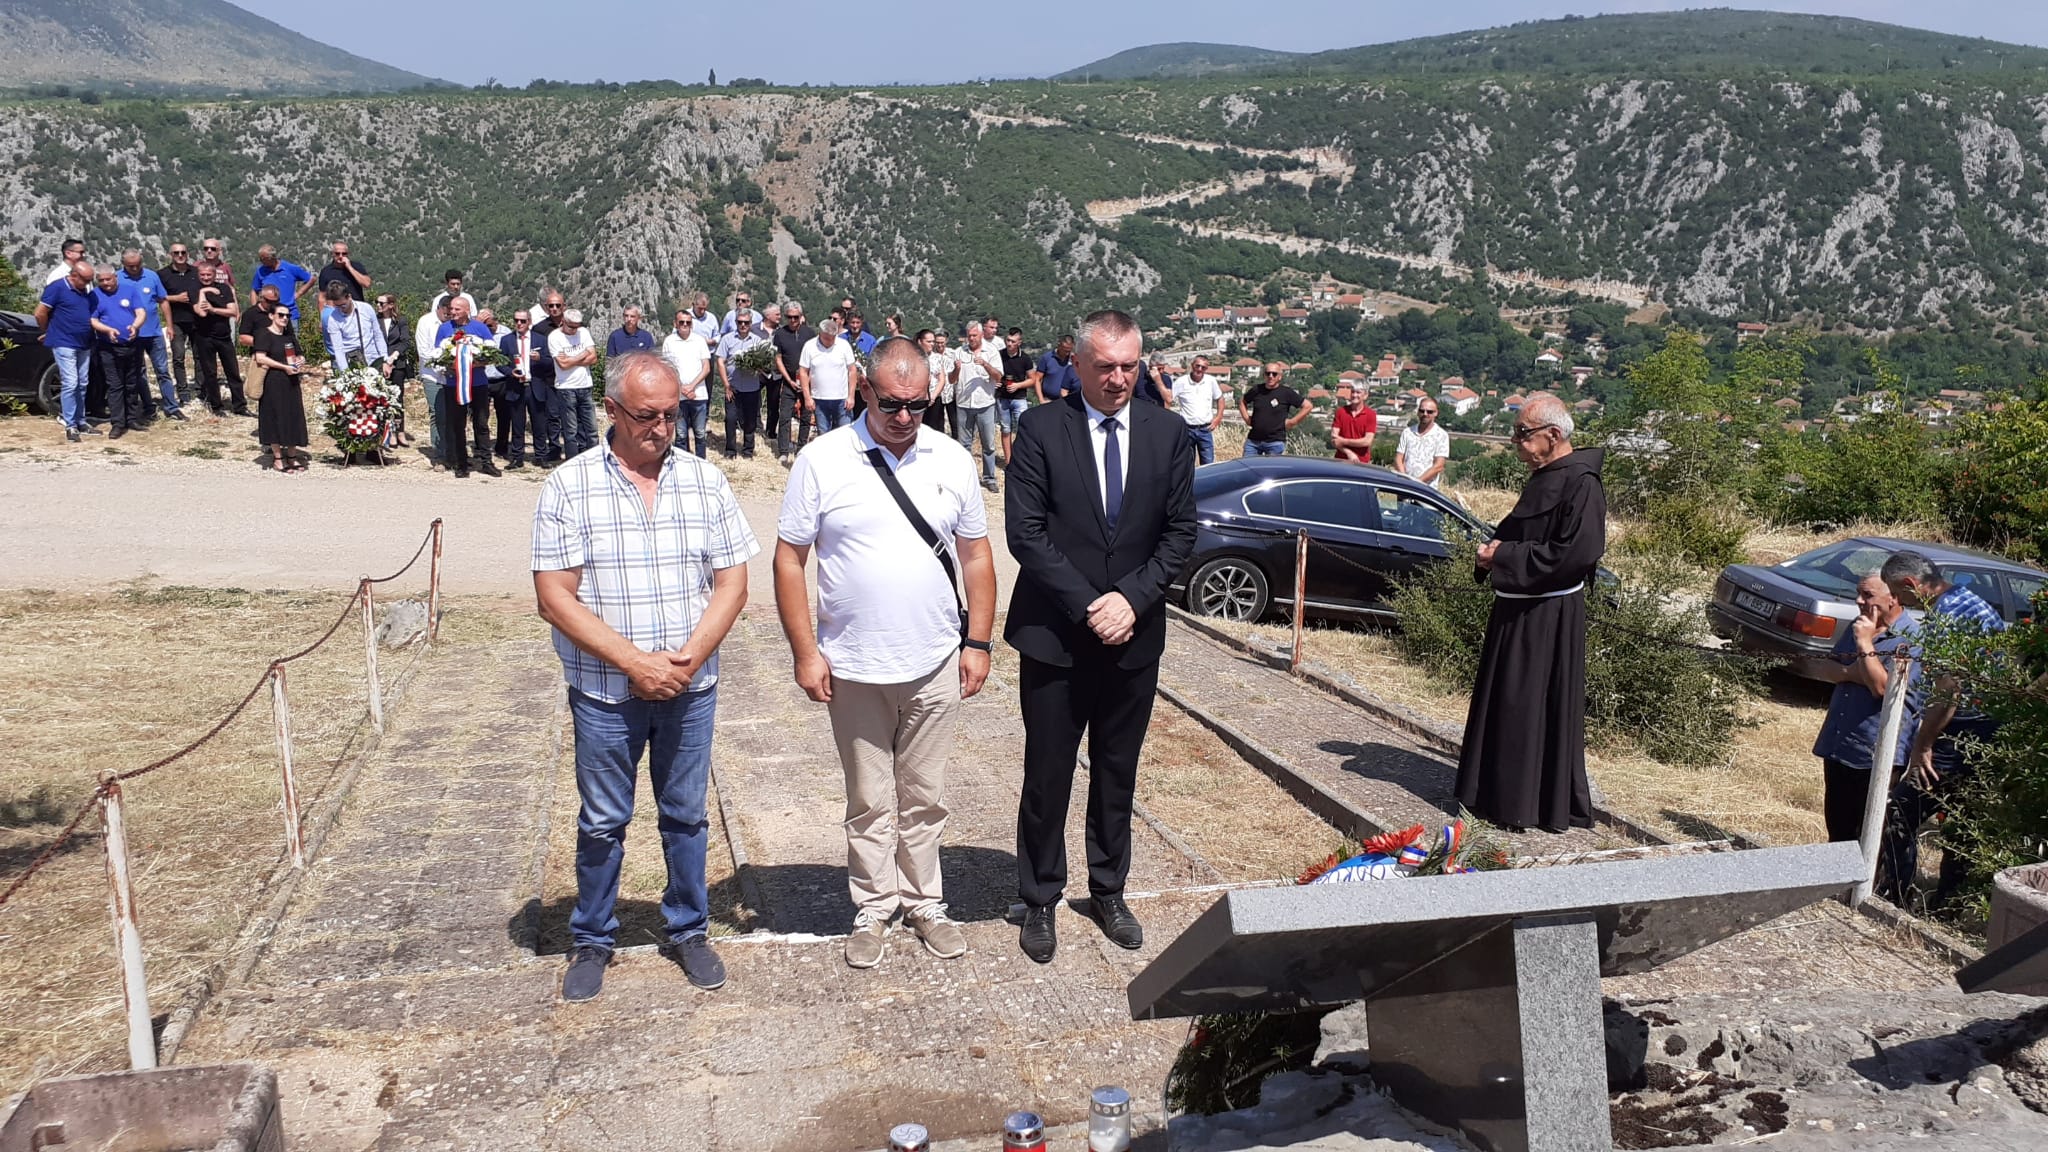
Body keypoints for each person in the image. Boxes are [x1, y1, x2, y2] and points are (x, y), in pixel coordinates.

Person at [531, 351, 760, 1001]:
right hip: (606, 693)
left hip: (689, 688)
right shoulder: (569, 487)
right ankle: (592, 938)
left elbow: (733, 583)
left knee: (686, 815)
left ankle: (689, 929)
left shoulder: (705, 482)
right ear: (611, 410)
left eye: (670, 414)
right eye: (646, 415)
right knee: (604, 819)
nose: (661, 427)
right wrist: (635, 663)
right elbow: (555, 597)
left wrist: (683, 663)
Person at [774, 337, 996, 969]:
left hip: (935, 661)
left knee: (925, 797)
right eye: (892, 403)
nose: (904, 416)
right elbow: (789, 560)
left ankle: (926, 902)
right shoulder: (822, 460)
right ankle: (874, 907)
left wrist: (978, 643)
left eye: (918, 404)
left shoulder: (951, 459)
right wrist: (805, 652)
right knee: (869, 799)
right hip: (852, 666)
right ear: (864, 390)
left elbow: (977, 555)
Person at [1005, 310, 1198, 963]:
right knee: (1047, 772)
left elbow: (1180, 533)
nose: (1118, 379)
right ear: (1079, 365)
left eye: (1129, 366)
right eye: (1105, 367)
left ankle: (1109, 889)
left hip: (1134, 639)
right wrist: (1092, 604)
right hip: (1056, 637)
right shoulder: (1040, 429)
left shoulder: (1168, 433)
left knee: (1118, 771)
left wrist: (1132, 600)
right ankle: (1039, 896)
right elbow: (1026, 533)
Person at [1455, 394, 1605, 833]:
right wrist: (1491, 552)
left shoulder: (1582, 483)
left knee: (1528, 705)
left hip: (1548, 614)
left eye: (1522, 433)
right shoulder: (1544, 476)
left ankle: (1524, 803)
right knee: (1506, 701)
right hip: (1517, 607)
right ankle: (1494, 794)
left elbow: (1575, 554)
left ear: (1553, 435)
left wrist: (1502, 556)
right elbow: (1521, 531)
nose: (1515, 441)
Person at [1881, 551, 2006, 907]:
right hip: (1985, 731)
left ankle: (1895, 897)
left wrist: (1923, 746)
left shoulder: (1948, 616)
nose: (1898, 601)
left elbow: (1949, 691)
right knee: (1962, 821)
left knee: (1899, 812)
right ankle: (1948, 904)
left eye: (1898, 593)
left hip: (1959, 733)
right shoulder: (1969, 601)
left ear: (1910, 584)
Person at [1809, 572, 1922, 844]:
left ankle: (1864, 875)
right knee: (1839, 832)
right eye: (1858, 594)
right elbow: (1826, 668)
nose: (1859, 601)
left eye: (1868, 595)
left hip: (1875, 754)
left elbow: (1883, 689)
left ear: (1893, 597)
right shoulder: (1859, 625)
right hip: (1840, 743)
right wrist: (1854, 673)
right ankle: (1838, 873)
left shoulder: (1910, 639)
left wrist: (1864, 644)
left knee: (1869, 837)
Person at [435, 298, 501, 478]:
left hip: (478, 383)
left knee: (481, 424)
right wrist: (452, 364)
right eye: (451, 309)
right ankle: (461, 463)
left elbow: (492, 354)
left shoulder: (480, 328)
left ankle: (486, 462)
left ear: (467, 310)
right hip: (454, 384)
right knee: (458, 425)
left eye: (457, 309)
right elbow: (438, 355)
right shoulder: (444, 329)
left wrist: (474, 363)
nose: (453, 312)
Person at [36, 259, 98, 442]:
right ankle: (70, 423)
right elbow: (40, 312)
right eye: (85, 280)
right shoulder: (57, 288)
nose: (88, 283)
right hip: (64, 342)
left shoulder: (85, 290)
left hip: (84, 343)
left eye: (90, 280)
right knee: (71, 382)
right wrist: (47, 331)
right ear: (74, 275)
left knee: (82, 382)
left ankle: (81, 420)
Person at [117, 250, 182, 422]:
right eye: (131, 266)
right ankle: (148, 407)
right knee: (139, 373)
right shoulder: (117, 278)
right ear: (123, 264)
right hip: (132, 335)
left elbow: (163, 300)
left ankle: (172, 407)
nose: (135, 268)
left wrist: (169, 325)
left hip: (153, 333)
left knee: (162, 370)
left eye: (138, 265)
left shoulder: (152, 276)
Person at [90, 265, 150, 438]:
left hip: (132, 344)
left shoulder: (129, 290)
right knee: (115, 385)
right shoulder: (94, 295)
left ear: (115, 277)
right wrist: (107, 330)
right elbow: (93, 320)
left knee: (132, 383)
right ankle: (117, 423)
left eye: (108, 279)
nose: (105, 283)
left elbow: (141, 312)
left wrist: (135, 326)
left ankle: (132, 418)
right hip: (108, 347)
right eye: (101, 280)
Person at [250, 300, 310, 473]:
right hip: (273, 380)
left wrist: (300, 360)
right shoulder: (264, 334)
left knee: (293, 416)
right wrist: (283, 366)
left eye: (287, 316)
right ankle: (277, 458)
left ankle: (292, 456)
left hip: (291, 381)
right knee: (274, 417)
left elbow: (300, 354)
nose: (285, 318)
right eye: (281, 315)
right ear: (271, 316)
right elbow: (260, 357)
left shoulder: (289, 336)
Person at [191, 263, 247, 418]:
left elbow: (233, 311)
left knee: (233, 371)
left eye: (209, 275)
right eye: (202, 275)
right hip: (204, 337)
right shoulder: (194, 289)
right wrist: (204, 291)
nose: (205, 278)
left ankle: (240, 405)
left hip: (223, 336)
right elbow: (201, 313)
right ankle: (216, 406)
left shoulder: (224, 288)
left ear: (214, 275)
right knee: (210, 373)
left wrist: (214, 309)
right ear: (198, 275)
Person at [951, 324, 1001, 492]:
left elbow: (998, 376)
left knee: (988, 444)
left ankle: (989, 478)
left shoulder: (991, 351)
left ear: (981, 335)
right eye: (969, 335)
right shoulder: (959, 352)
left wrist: (985, 364)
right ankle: (966, 479)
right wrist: (956, 369)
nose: (971, 339)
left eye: (974, 335)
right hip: (964, 404)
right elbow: (951, 380)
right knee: (964, 445)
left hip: (985, 403)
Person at [716, 311, 770, 458]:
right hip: (732, 387)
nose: (743, 325)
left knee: (750, 420)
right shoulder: (727, 339)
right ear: (736, 323)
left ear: (750, 324)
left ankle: (748, 450)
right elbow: (720, 361)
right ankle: (730, 450)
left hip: (751, 388)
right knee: (730, 419)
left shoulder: (757, 341)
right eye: (740, 322)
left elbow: (764, 364)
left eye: (746, 322)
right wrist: (726, 385)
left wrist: (756, 365)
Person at [549, 308, 602, 459]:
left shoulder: (583, 332)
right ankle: (572, 460)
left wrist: (570, 359)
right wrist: (583, 354)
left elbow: (593, 358)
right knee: (570, 431)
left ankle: (594, 460)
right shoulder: (554, 337)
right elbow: (562, 365)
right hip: (566, 388)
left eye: (577, 326)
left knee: (592, 429)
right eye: (571, 327)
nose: (574, 330)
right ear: (563, 322)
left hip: (585, 385)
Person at [661, 309, 714, 458]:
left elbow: (706, 368)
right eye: (681, 322)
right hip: (678, 396)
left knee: (700, 434)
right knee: (681, 435)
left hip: (699, 395)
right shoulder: (669, 341)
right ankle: (682, 463)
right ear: (675, 323)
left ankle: (701, 463)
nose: (685, 325)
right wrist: (681, 387)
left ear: (692, 324)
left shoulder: (699, 341)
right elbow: (666, 368)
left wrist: (691, 386)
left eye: (688, 322)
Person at [800, 318, 862, 438]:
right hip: (819, 399)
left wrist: (851, 396)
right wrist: (807, 397)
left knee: (845, 433)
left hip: (842, 399)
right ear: (820, 334)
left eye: (833, 338)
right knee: (823, 435)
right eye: (827, 338)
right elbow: (803, 371)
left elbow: (852, 370)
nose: (830, 341)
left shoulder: (844, 345)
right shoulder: (809, 346)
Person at [491, 309, 538, 469]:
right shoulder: (506, 340)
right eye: (516, 320)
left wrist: (539, 359)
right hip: (515, 385)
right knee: (517, 424)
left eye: (522, 321)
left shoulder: (540, 339)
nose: (519, 323)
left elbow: (548, 361)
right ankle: (517, 457)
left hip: (534, 386)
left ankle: (540, 456)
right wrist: (509, 372)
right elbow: (499, 362)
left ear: (529, 322)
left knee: (538, 423)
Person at [771, 301, 816, 465]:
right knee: (784, 416)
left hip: (806, 381)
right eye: (789, 317)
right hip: (789, 381)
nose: (792, 320)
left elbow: (815, 358)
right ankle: (783, 451)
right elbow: (778, 358)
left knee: (806, 416)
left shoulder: (810, 334)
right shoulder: (780, 334)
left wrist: (807, 380)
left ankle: (801, 448)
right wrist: (788, 379)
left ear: (801, 316)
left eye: (795, 317)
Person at [158, 243, 202, 409]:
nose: (180, 255)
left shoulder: (196, 272)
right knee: (178, 357)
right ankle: (183, 392)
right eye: (176, 253)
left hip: (197, 321)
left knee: (200, 356)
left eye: (183, 252)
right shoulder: (162, 274)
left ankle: (200, 390)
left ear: (188, 254)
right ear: (171, 255)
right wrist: (175, 298)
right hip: (175, 321)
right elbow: (156, 296)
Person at [1239, 364, 1309, 456]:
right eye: (1268, 373)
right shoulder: (1257, 390)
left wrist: (1293, 422)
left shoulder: (1286, 392)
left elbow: (1307, 406)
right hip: (1253, 441)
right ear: (1264, 375)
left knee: (1272, 466)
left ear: (1280, 377)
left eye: (1274, 374)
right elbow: (1242, 402)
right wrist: (1247, 419)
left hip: (1275, 442)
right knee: (1247, 465)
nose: (1270, 376)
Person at [530, 292, 567, 464]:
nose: (554, 308)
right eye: (551, 305)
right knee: (552, 415)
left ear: (564, 306)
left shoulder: (574, 325)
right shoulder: (539, 328)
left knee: (572, 415)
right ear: (546, 307)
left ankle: (574, 448)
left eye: (558, 305)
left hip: (570, 378)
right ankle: (554, 448)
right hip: (549, 378)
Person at [374, 294, 414, 447]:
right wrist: (384, 360)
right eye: (377, 302)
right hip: (380, 363)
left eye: (381, 303)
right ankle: (387, 432)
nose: (378, 305)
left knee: (397, 399)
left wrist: (393, 357)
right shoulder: (375, 320)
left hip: (398, 364)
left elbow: (405, 341)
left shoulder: (400, 321)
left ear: (390, 305)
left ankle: (400, 431)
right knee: (382, 398)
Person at [1170, 355, 1226, 465]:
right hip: (1187, 430)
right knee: (1187, 464)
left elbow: (1220, 399)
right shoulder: (1181, 382)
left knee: (1208, 465)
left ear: (1206, 369)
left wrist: (1218, 418)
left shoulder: (1211, 381)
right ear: (1192, 366)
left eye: (1203, 367)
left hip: (1205, 429)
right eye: (1197, 366)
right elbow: (1168, 399)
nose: (1200, 369)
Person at [322, 284, 389, 372]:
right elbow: (338, 349)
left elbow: (377, 335)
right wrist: (346, 372)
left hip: (374, 361)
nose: (341, 308)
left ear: (349, 297)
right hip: (354, 366)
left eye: (343, 305)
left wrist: (385, 360)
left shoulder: (366, 309)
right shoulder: (333, 319)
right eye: (337, 306)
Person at [415, 299, 450, 463]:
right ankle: (439, 454)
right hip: (432, 375)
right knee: (437, 413)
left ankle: (453, 452)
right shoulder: (425, 322)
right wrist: (442, 365)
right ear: (439, 308)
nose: (448, 316)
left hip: (452, 376)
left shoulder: (453, 323)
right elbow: (424, 352)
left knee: (452, 415)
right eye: (446, 312)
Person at [996, 327, 1035, 466]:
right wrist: (995, 382)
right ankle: (1009, 462)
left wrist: (1018, 385)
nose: (1009, 344)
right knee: (1005, 430)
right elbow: (993, 373)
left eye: (1013, 341)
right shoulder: (999, 355)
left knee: (1023, 429)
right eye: (1008, 340)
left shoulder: (1025, 358)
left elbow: (1033, 379)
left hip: (1019, 398)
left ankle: (1021, 459)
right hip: (1002, 397)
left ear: (1019, 342)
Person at [249, 245, 313, 322]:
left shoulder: (289, 268)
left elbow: (311, 279)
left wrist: (299, 293)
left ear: (272, 257)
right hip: (268, 315)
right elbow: (254, 290)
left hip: (289, 315)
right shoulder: (261, 271)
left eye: (263, 259)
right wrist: (255, 310)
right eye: (260, 258)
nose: (261, 261)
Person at [1397, 399, 1451, 488]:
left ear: (1436, 413)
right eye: (1422, 411)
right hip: (1405, 488)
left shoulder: (1441, 435)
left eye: (1429, 412)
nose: (1425, 414)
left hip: (1426, 490)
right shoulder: (1407, 432)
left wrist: (1417, 483)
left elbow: (1439, 465)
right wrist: (1405, 481)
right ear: (1418, 412)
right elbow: (1398, 458)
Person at [1330, 384, 1377, 464]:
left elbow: (1367, 441)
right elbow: (1334, 440)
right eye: (1353, 392)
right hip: (1341, 461)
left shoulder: (1370, 415)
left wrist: (1343, 441)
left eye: (1358, 392)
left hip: (1361, 462)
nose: (1354, 395)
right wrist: (1349, 452)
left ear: (1365, 395)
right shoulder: (1340, 412)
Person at [923, 329, 955, 435]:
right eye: (937, 342)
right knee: (936, 424)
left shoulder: (952, 354)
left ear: (946, 341)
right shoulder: (930, 356)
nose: (939, 345)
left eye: (942, 342)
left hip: (949, 394)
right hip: (935, 395)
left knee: (954, 423)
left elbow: (945, 378)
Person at [1032, 333, 1077, 403]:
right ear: (1059, 346)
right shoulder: (1047, 358)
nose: (1067, 353)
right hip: (1048, 400)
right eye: (1065, 350)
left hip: (1068, 401)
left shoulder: (1073, 359)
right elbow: (1037, 379)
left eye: (1069, 351)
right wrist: (1041, 399)